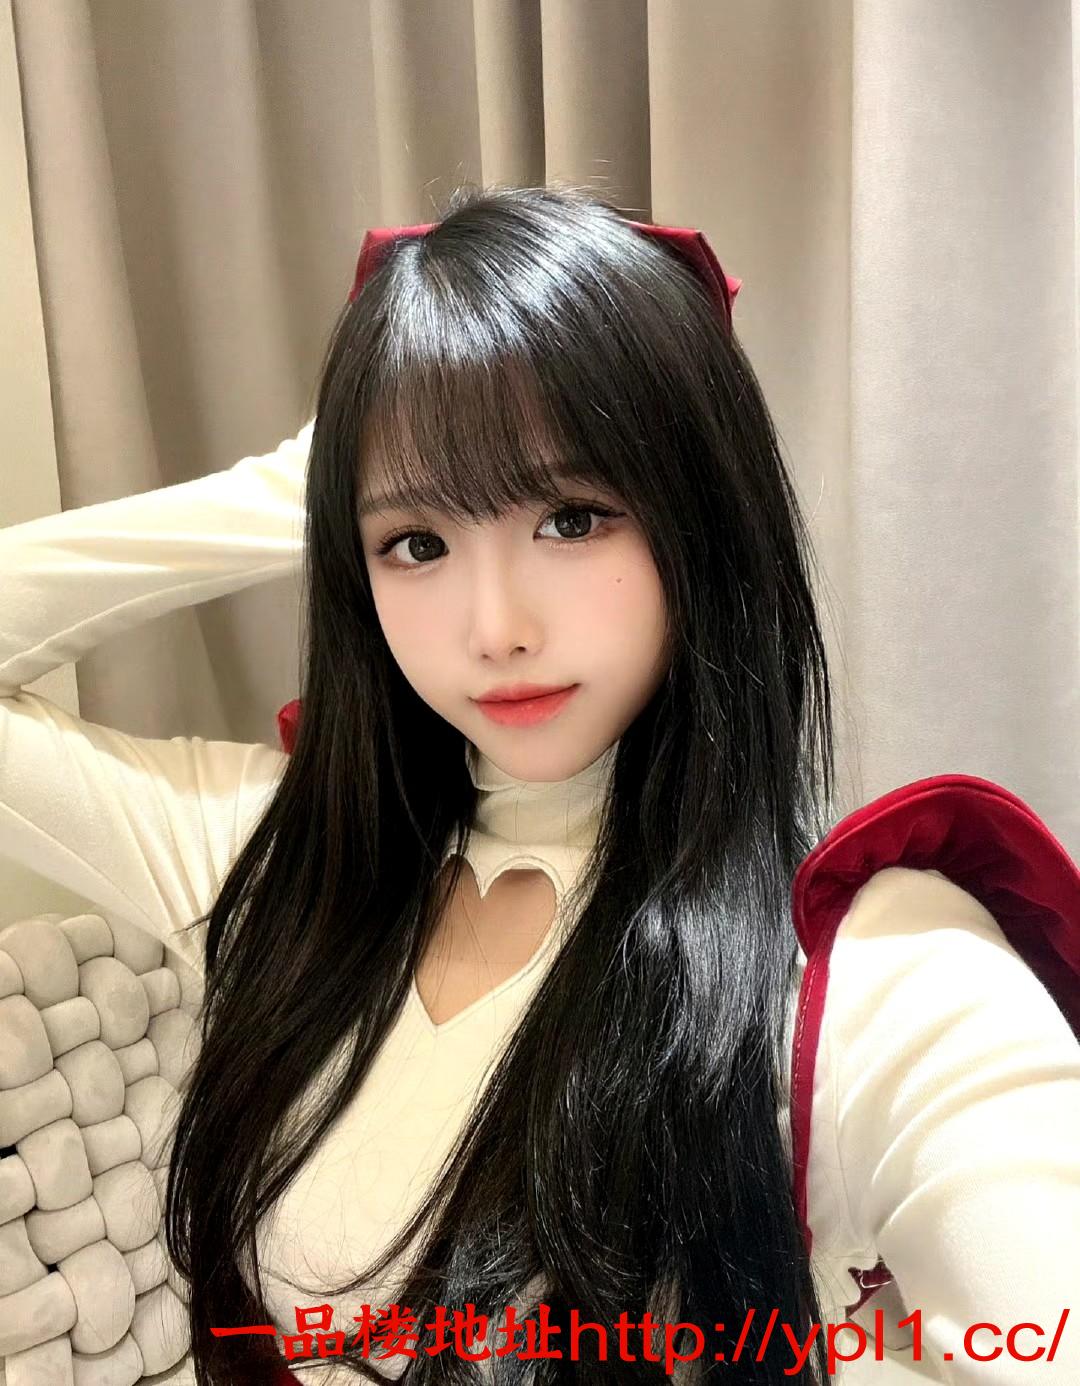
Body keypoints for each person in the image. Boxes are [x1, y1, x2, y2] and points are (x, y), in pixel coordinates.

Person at [1, 183, 1077, 1385]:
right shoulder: (277, 863)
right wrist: (306, 484)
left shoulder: (871, 970)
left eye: (571, 518)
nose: (494, 628)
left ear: (700, 517)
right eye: (416, 544)